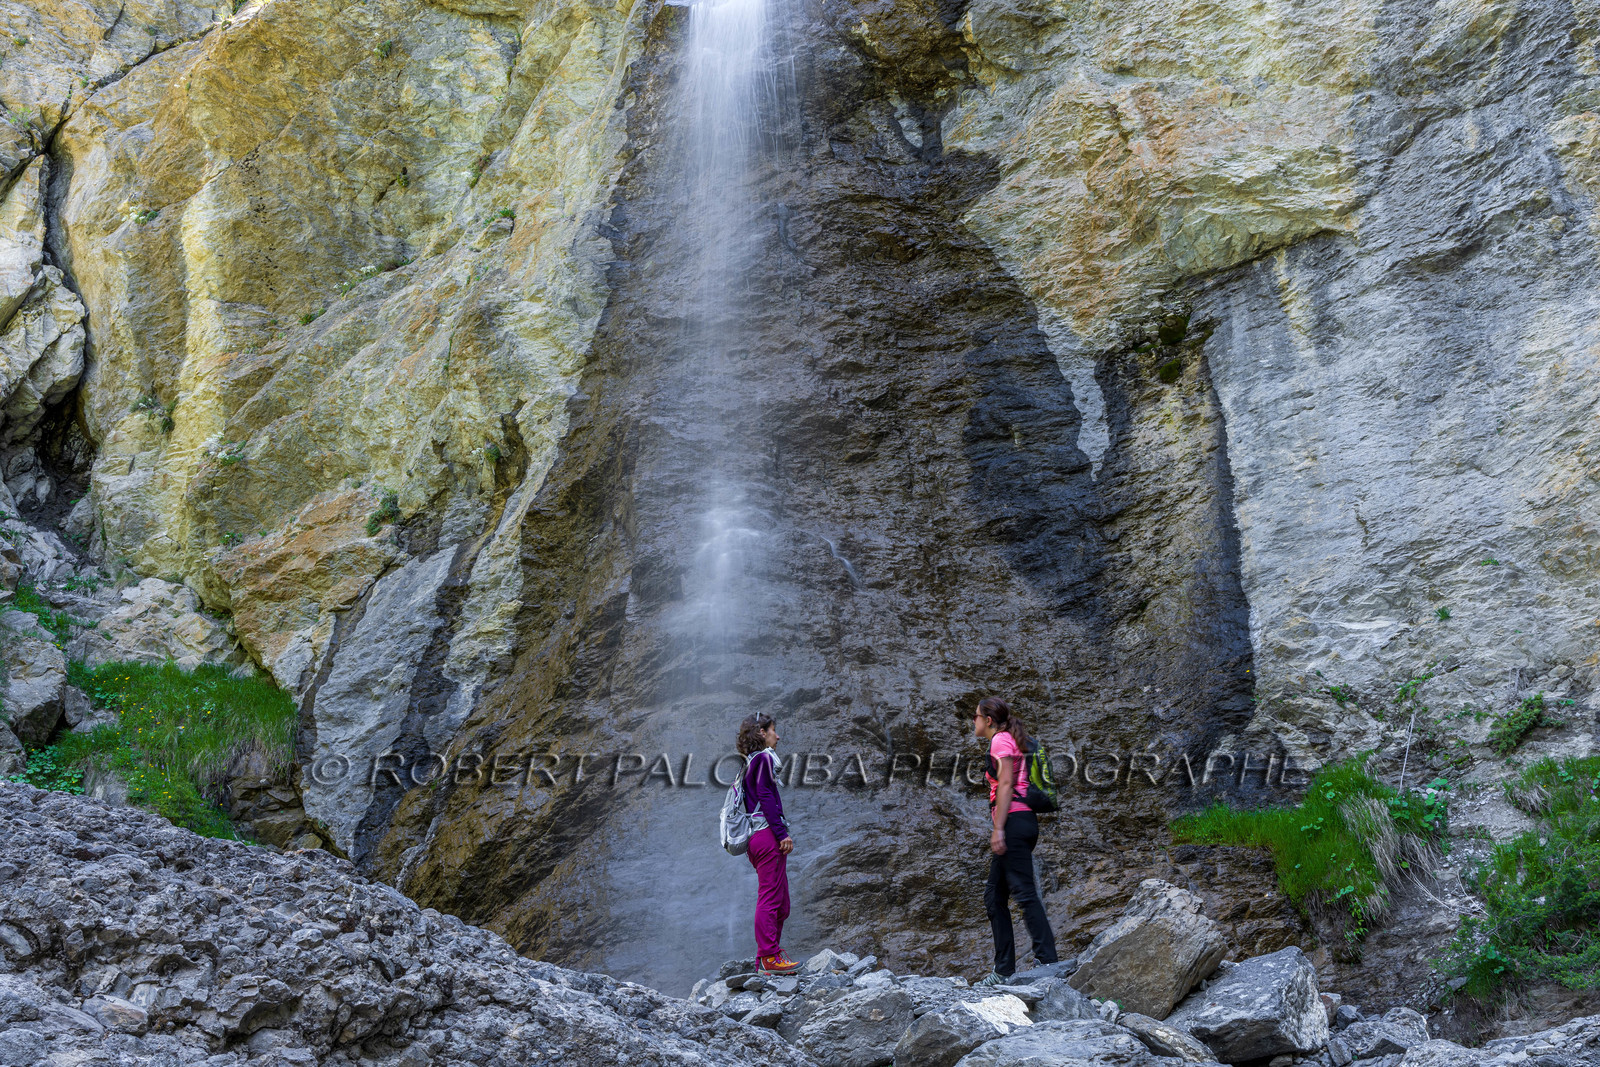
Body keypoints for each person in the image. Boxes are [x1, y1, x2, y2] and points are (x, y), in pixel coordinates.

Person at [973, 695, 1058, 985]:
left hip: (1013, 822)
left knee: (1024, 893)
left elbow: (1007, 782)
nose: (972, 722)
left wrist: (998, 829)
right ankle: (1004, 969)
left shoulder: (999, 740)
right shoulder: (1010, 739)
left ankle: (1047, 960)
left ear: (988, 721)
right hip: (1022, 822)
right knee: (994, 896)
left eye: (975, 717)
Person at [738, 713, 799, 974]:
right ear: (762, 733)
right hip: (766, 836)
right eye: (774, 730)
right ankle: (768, 957)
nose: (778, 735)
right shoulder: (763, 758)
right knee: (770, 898)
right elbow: (765, 795)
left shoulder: (751, 761)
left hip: (760, 837)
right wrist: (781, 832)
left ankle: (768, 956)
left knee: (781, 902)